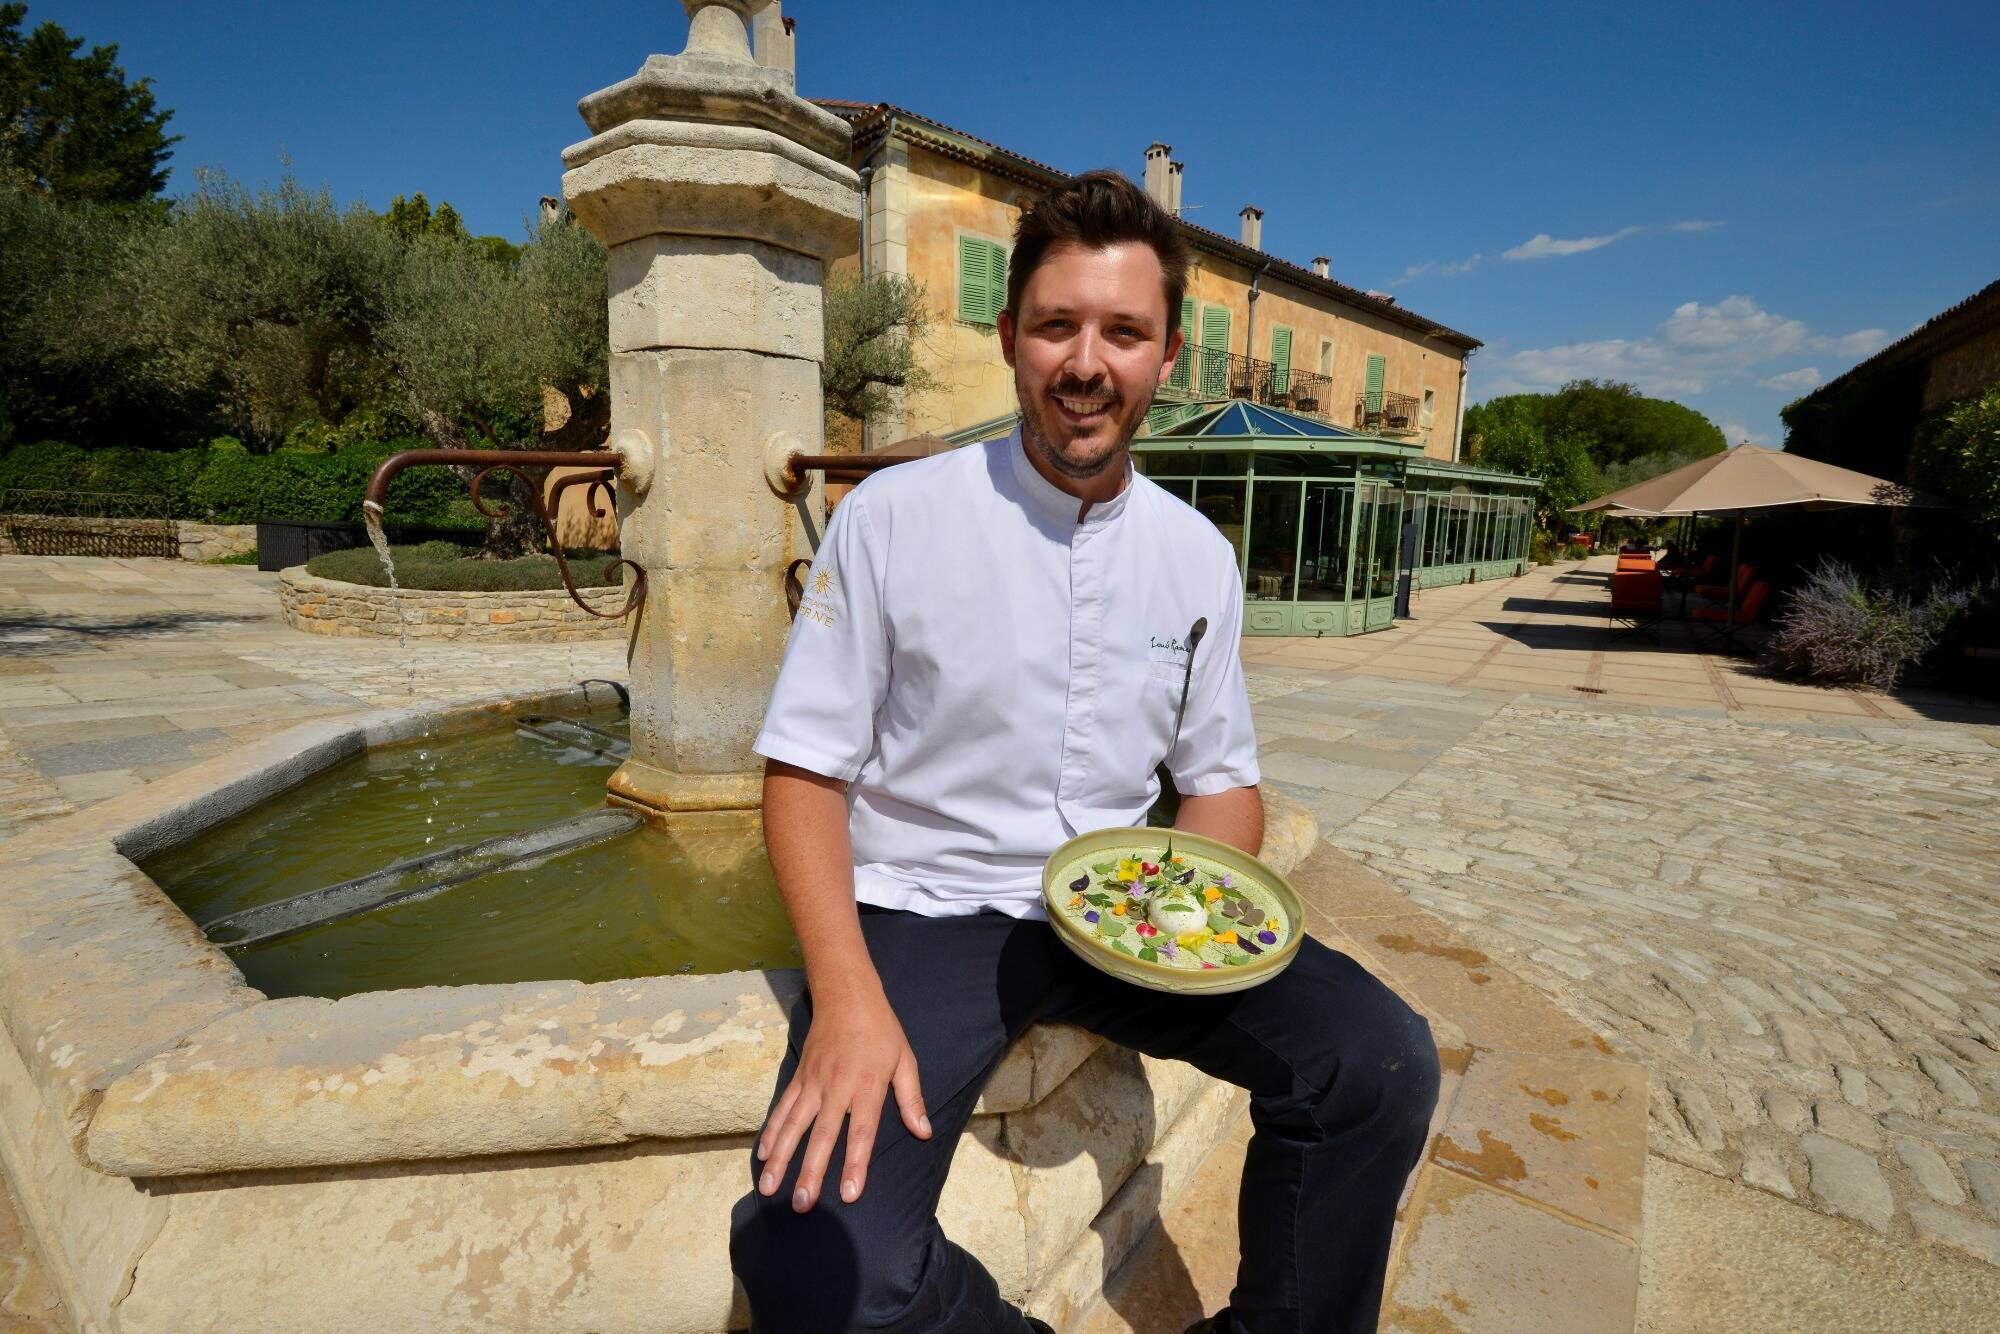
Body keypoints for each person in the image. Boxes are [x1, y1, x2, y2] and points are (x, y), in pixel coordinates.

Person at [729, 171, 1440, 1334]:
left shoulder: (1195, 555)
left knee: (1382, 1061)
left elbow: (1218, 783)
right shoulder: (889, 519)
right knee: (816, 1257)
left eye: (1123, 331)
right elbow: (803, 772)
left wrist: (1190, 922)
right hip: (929, 911)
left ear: (1165, 357)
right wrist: (848, 995)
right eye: (1056, 324)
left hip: (1123, 906)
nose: (1084, 362)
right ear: (1009, 336)